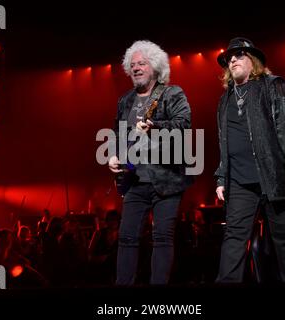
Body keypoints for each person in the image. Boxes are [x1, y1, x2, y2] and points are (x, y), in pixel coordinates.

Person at [214, 37, 285, 283]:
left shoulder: (273, 86)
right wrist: (221, 176)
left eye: (240, 54)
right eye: (230, 57)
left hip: (273, 175)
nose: (233, 59)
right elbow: (224, 142)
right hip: (239, 180)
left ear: (254, 61)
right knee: (233, 239)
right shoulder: (224, 100)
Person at [107, 40, 193, 285]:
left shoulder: (172, 93)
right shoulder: (125, 100)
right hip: (134, 180)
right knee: (126, 238)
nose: (136, 68)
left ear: (155, 67)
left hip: (167, 179)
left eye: (141, 63)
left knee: (163, 237)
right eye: (132, 64)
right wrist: (114, 154)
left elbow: (184, 125)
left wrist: (155, 126)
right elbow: (117, 133)